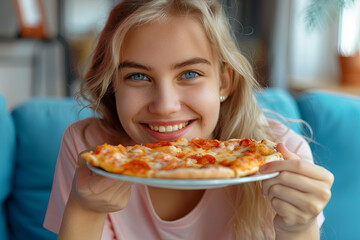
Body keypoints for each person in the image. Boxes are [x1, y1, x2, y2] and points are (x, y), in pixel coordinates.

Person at [43, 0, 334, 239]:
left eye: (189, 74)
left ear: (223, 81)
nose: (165, 106)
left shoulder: (279, 154)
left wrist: (299, 228)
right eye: (138, 76)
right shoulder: (90, 152)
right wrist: (84, 210)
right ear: (112, 86)